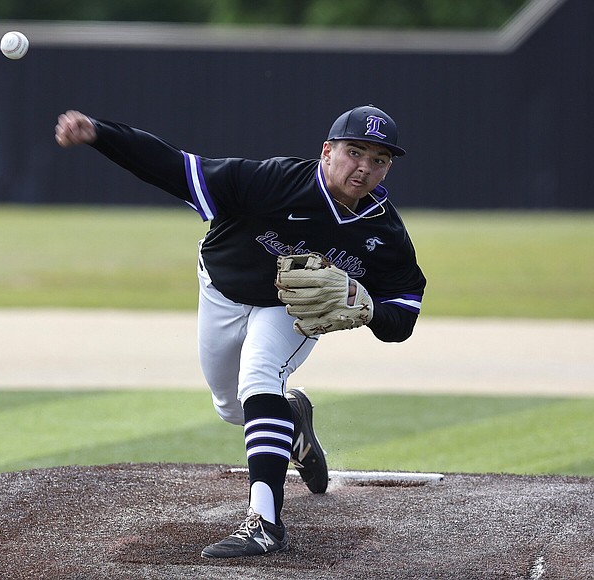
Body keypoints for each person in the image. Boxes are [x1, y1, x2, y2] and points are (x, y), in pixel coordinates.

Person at [54, 104, 426, 559]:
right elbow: (174, 166)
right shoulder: (272, 181)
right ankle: (294, 424)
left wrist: (370, 312)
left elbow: (403, 315)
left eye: (379, 159)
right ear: (327, 152)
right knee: (232, 407)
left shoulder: (384, 233)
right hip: (221, 290)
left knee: (259, 378)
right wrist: (99, 133)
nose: (364, 167)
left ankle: (264, 523)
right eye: (355, 152)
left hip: (289, 309)